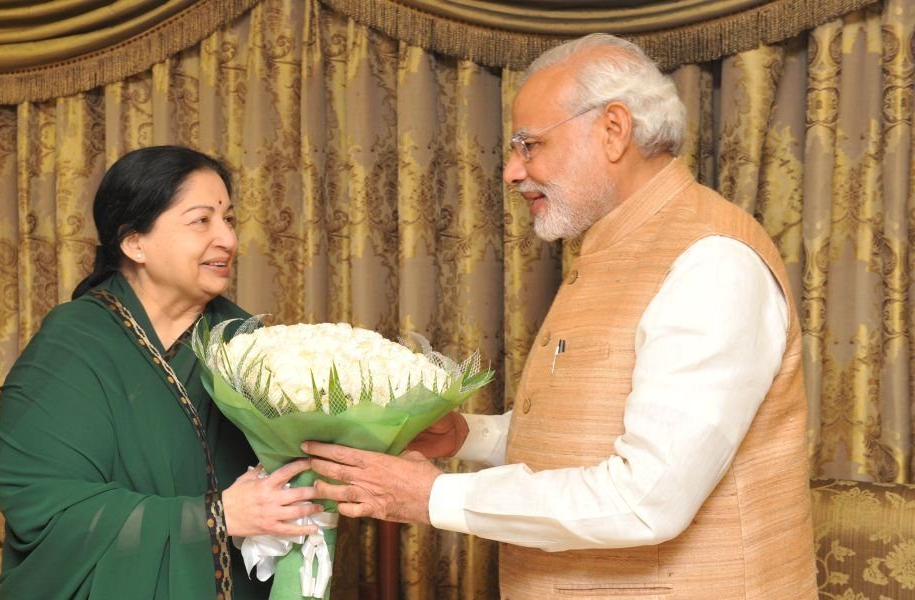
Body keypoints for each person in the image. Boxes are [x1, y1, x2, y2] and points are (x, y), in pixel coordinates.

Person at [304, 34, 818, 599]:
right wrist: (465, 437)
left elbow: (646, 500)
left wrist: (432, 497)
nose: (511, 172)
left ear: (614, 130)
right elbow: (595, 436)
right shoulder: (608, 247)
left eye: (529, 145)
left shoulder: (712, 262)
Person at [0, 146, 320, 599]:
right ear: (134, 242)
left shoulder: (247, 343)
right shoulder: (73, 345)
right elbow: (46, 510)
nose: (226, 239)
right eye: (201, 220)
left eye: (228, 220)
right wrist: (216, 516)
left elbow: (298, 462)